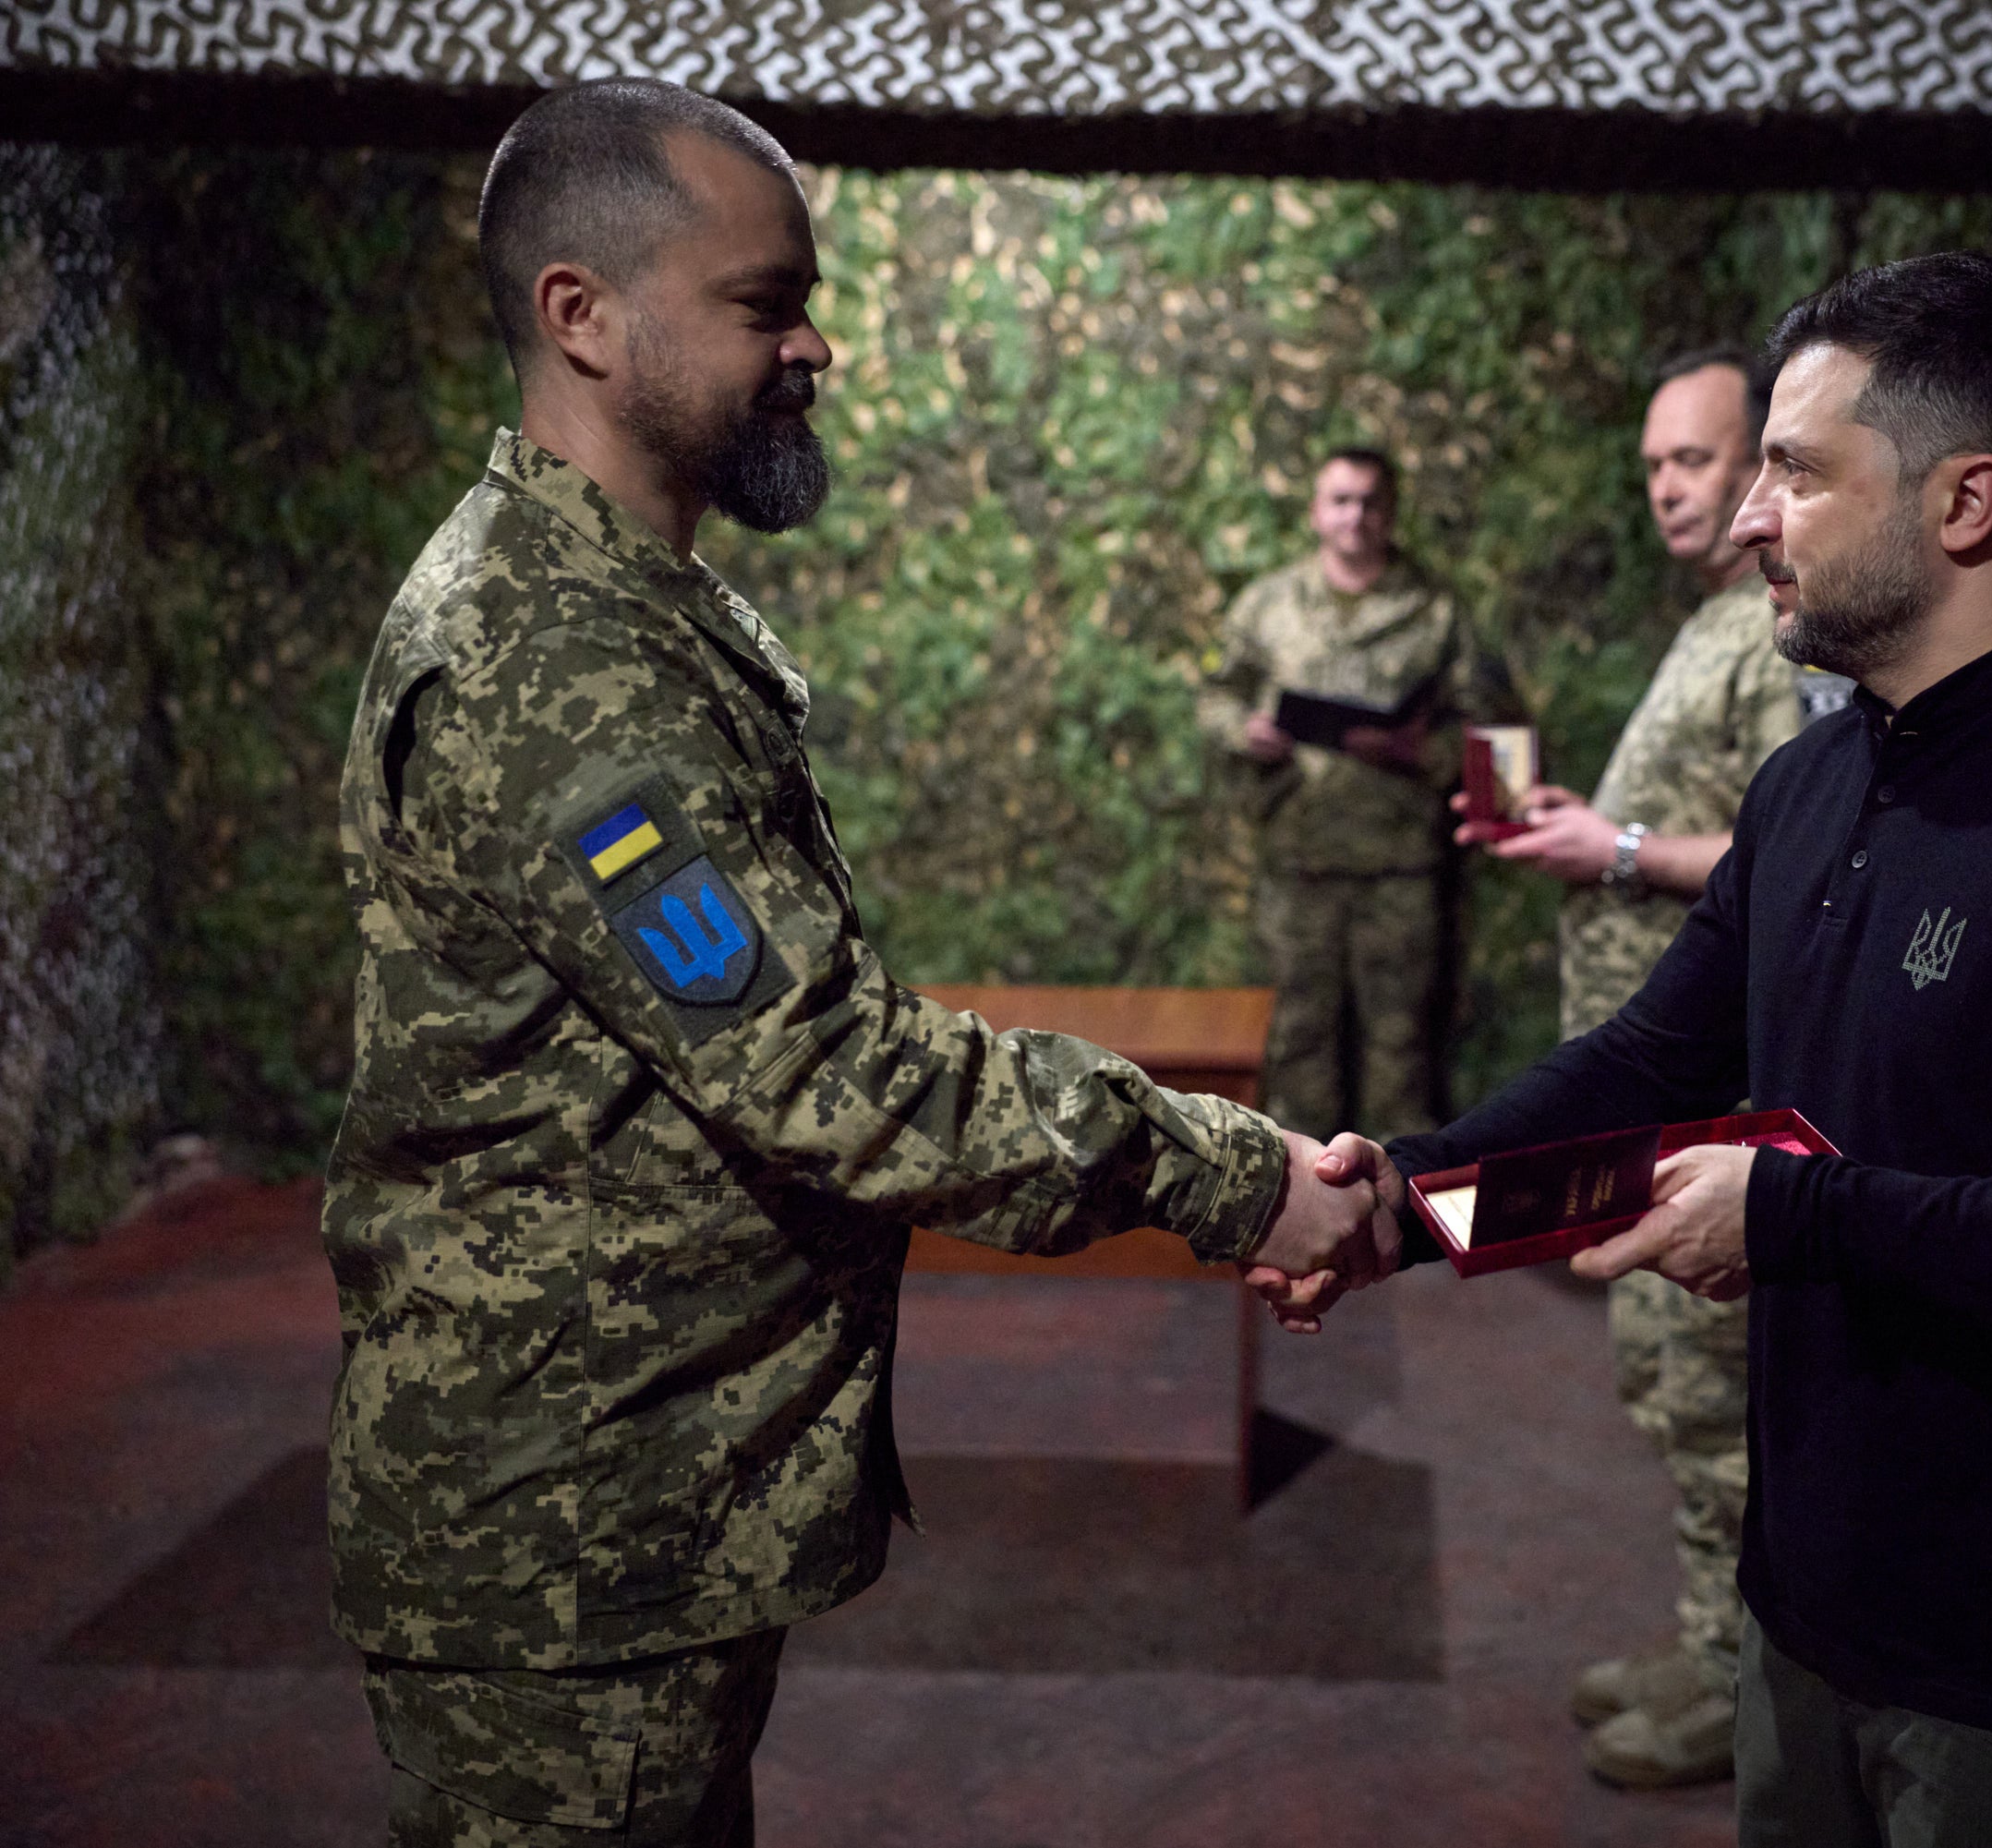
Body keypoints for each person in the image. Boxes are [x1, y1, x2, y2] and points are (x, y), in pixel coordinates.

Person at [325, 79, 1391, 1846]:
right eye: (765, 304)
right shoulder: (548, 658)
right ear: (579, 316)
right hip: (572, 1532)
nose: (813, 344)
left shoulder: (621, 609)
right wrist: (1234, 1175)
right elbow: (841, 1078)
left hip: (631, 1504)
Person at [1344, 251, 1992, 1845]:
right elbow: (1650, 1062)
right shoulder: (1812, 790)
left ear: (1965, 503)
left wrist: (1804, 1215)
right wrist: (1392, 1207)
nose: (1750, 518)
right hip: (1805, 1619)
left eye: (1796, 472)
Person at [1456, 346, 1803, 1790]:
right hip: (1659, 1091)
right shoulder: (1716, 621)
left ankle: (1743, 1683)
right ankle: (1702, 1632)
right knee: (1671, 1386)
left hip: (1719, 1096)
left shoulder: (1782, 638)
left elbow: (1795, 860)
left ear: (1762, 465)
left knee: (1715, 1391)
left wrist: (1616, 851)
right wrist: (1588, 826)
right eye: (1656, 464)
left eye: (1698, 460)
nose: (1672, 487)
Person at [1197, 450, 1496, 1143]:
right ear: (1315, 511)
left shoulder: (1435, 609)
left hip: (1401, 860)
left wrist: (1419, 752)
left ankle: (1402, 1198)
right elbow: (1216, 693)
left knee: (1404, 1037)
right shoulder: (1267, 605)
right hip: (1299, 854)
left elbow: (1488, 727)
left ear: (1390, 513)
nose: (1354, 516)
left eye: (1369, 501)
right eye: (1339, 500)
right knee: (1298, 1033)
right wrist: (1244, 730)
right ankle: (1298, 1186)